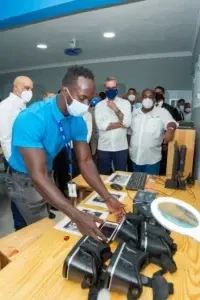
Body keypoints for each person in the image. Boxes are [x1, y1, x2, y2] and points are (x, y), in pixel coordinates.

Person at [6, 66, 125, 240]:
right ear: (65, 90)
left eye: (89, 100)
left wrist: (107, 197)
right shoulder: (32, 118)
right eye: (81, 98)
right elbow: (37, 176)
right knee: (40, 231)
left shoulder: (77, 120)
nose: (85, 105)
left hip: (46, 172)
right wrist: (76, 216)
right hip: (24, 179)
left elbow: (85, 161)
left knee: (47, 219)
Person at [129, 89, 177, 175]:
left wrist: (170, 130)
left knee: (151, 186)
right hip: (135, 157)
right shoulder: (135, 112)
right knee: (136, 184)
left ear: (154, 99)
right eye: (145, 97)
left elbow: (171, 122)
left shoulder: (162, 111)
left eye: (150, 97)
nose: (147, 99)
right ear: (141, 98)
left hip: (152, 160)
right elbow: (130, 132)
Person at [95, 77, 131, 175]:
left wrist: (115, 109)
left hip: (121, 147)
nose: (111, 90)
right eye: (108, 87)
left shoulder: (125, 103)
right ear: (104, 88)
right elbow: (101, 126)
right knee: (103, 175)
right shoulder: (99, 105)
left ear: (117, 87)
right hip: (104, 147)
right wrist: (121, 124)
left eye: (113, 87)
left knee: (121, 175)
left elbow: (127, 123)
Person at [0, 76, 33, 162]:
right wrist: (13, 162)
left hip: (27, 157)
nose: (29, 92)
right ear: (16, 87)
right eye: (27, 88)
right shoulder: (6, 106)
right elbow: (5, 138)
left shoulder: (23, 106)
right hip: (17, 160)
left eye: (31, 89)